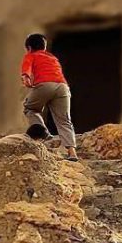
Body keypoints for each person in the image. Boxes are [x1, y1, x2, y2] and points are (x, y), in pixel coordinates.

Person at [20, 33, 79, 161]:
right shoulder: (53, 58)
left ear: (29, 48)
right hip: (63, 87)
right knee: (64, 120)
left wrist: (26, 79)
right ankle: (72, 152)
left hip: (45, 85)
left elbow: (26, 71)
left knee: (30, 108)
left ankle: (44, 133)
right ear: (44, 47)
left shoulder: (31, 55)